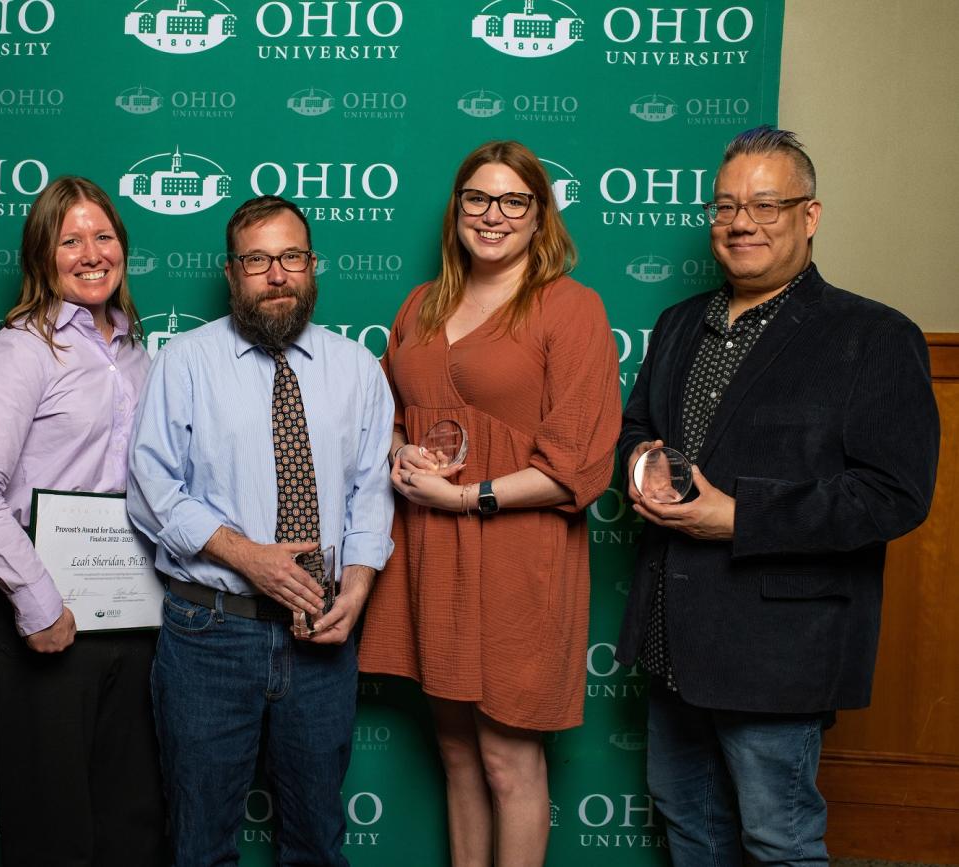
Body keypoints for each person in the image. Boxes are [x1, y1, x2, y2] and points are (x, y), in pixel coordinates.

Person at [617, 126, 940, 866]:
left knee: (779, 839)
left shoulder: (874, 335)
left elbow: (894, 494)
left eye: (766, 205)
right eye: (726, 206)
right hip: (672, 637)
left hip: (777, 650)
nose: (741, 222)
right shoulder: (678, 323)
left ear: (811, 215)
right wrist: (640, 465)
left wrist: (740, 516)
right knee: (689, 827)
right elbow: (639, 427)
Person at [357, 140, 622, 867]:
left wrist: (465, 495)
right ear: (457, 209)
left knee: (509, 758)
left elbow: (579, 464)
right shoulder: (422, 303)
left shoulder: (569, 308)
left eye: (513, 201)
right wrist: (397, 452)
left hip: (517, 551)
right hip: (431, 549)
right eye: (477, 197)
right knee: (455, 750)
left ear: (541, 217)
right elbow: (386, 407)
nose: (493, 214)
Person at [127, 195, 395, 867]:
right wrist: (248, 557)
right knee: (200, 844)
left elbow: (372, 492)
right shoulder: (184, 361)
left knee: (315, 842)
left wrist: (357, 589)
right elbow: (152, 488)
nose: (276, 275)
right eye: (257, 260)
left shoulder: (357, 369)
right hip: (211, 633)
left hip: (323, 634)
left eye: (291, 258)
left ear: (313, 266)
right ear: (231, 272)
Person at [0, 176, 166, 865]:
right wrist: (38, 603)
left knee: (132, 819)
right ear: (42, 254)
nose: (91, 252)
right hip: (35, 617)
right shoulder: (22, 352)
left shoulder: (137, 354)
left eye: (104, 236)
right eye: (70, 240)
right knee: (52, 832)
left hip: (126, 616)